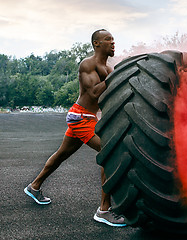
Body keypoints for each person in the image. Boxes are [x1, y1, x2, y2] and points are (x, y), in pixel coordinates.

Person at [24, 29, 126, 227]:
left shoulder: (109, 69)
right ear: (96, 43)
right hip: (80, 117)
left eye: (113, 39)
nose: (113, 42)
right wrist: (116, 78)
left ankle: (34, 186)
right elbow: (95, 92)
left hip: (87, 117)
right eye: (108, 39)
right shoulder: (88, 64)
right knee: (109, 154)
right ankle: (103, 211)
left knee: (61, 154)